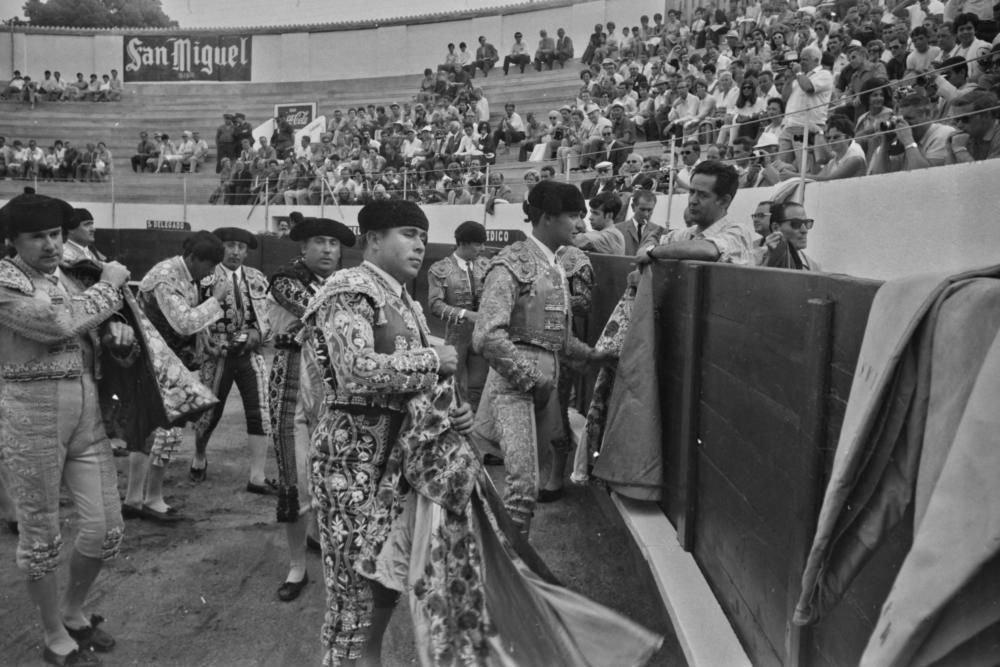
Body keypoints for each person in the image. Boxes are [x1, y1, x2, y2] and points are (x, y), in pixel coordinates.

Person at [300, 199, 468, 666]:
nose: (420, 244)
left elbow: (408, 384)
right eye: (408, 233)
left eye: (422, 235)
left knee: (384, 579)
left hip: (395, 461)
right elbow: (355, 370)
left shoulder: (401, 298)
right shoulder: (350, 287)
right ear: (373, 239)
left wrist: (450, 411)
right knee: (353, 594)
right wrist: (434, 360)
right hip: (350, 462)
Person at [0, 192, 136, 667]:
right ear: (13, 241)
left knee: (106, 529)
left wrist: (114, 337)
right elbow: (56, 324)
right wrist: (110, 289)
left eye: (56, 234)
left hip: (86, 410)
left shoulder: (72, 279)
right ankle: (52, 630)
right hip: (29, 415)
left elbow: (88, 332)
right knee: (41, 533)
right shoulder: (3, 280)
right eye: (37, 237)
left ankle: (72, 610)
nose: (51, 245)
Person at [472, 180, 607, 537]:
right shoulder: (510, 263)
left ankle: (516, 569)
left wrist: (596, 356)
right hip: (516, 386)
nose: (580, 225)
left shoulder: (555, 265)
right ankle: (509, 575)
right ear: (547, 217)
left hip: (545, 382)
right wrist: (534, 381)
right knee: (522, 486)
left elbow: (560, 339)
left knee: (528, 486)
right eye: (574, 216)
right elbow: (486, 335)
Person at [267, 216, 356, 603]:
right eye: (319, 242)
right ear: (303, 247)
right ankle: (297, 566)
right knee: (296, 475)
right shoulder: (285, 279)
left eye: (334, 244)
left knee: (333, 465)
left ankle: (321, 537)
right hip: (290, 384)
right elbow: (320, 313)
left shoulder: (342, 283)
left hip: (330, 385)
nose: (327, 250)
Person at [123, 232, 226, 523]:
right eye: (209, 265)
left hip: (162, 360)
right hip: (158, 363)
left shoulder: (183, 274)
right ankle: (151, 498)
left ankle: (135, 498)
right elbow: (184, 323)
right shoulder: (166, 277)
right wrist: (216, 301)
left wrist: (203, 338)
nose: (211, 272)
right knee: (167, 429)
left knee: (149, 429)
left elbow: (190, 323)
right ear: (194, 258)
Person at [187, 228, 272, 493]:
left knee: (260, 411)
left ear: (247, 252)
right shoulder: (206, 277)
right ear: (220, 248)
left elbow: (267, 316)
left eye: (241, 247)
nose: (236, 251)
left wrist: (258, 333)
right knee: (209, 414)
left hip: (249, 353)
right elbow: (193, 313)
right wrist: (204, 341)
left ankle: (257, 476)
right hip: (217, 353)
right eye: (230, 246)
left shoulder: (257, 278)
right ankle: (199, 454)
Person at [636, 160, 756, 266]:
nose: (693, 200)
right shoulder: (686, 234)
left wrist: (652, 251)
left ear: (724, 201)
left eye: (703, 195)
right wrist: (650, 245)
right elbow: (654, 239)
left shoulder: (739, 233)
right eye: (692, 192)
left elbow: (708, 250)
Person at [427, 221, 490, 412]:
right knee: (454, 386)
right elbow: (435, 305)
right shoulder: (440, 269)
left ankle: (476, 429)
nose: (482, 248)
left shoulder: (487, 265)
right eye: (477, 244)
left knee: (479, 386)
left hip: (482, 335)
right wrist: (465, 314)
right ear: (463, 243)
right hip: (456, 336)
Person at [762, 201, 821, 270]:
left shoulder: (813, 267)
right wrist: (771, 257)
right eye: (796, 224)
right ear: (776, 228)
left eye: (806, 223)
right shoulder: (755, 259)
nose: (805, 230)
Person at [951, 90, 1000, 160]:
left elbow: (989, 170)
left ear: (986, 115)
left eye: (965, 119)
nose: (959, 125)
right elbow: (950, 169)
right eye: (956, 119)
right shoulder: (967, 137)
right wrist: (950, 150)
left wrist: (960, 150)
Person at [615, 189, 663, 256]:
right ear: (633, 207)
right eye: (642, 209)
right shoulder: (617, 229)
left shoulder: (658, 231)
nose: (646, 214)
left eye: (650, 210)